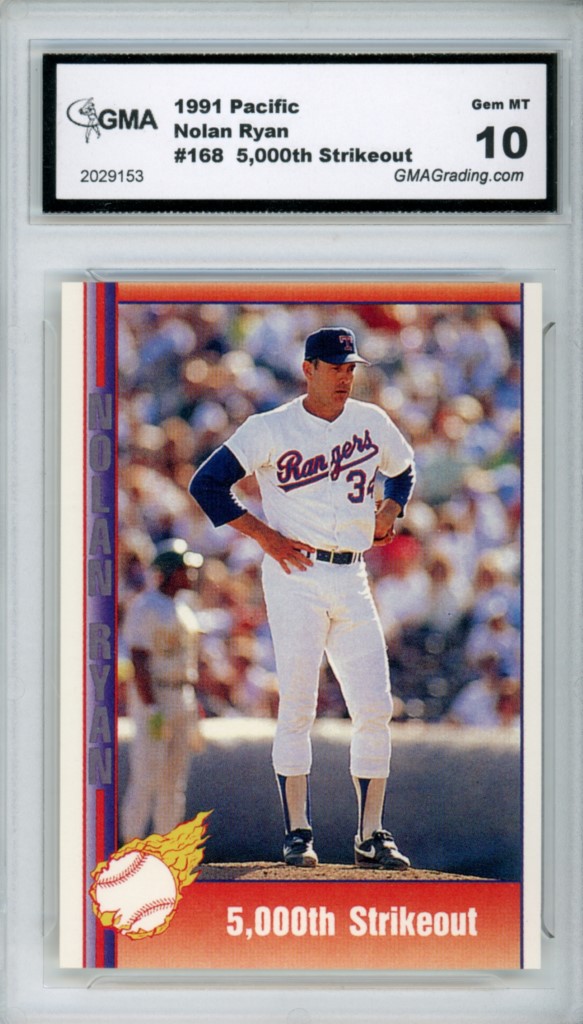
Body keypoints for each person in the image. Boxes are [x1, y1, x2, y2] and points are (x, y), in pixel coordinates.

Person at [189, 327, 415, 869]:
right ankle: (297, 832)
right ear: (308, 368)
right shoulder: (271, 427)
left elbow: (403, 468)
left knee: (374, 707)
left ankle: (371, 835)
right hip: (296, 574)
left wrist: (392, 507)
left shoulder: (370, 421)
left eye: (350, 367)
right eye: (335, 367)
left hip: (352, 574)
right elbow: (207, 484)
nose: (345, 376)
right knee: (297, 705)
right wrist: (264, 535)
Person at [121, 539, 203, 841]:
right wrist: (152, 707)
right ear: (168, 572)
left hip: (182, 695)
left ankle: (166, 850)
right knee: (147, 778)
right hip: (156, 696)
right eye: (184, 569)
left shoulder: (183, 608)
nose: (191, 574)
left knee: (174, 780)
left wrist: (193, 704)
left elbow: (187, 662)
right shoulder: (146, 606)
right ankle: (130, 847)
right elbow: (139, 659)